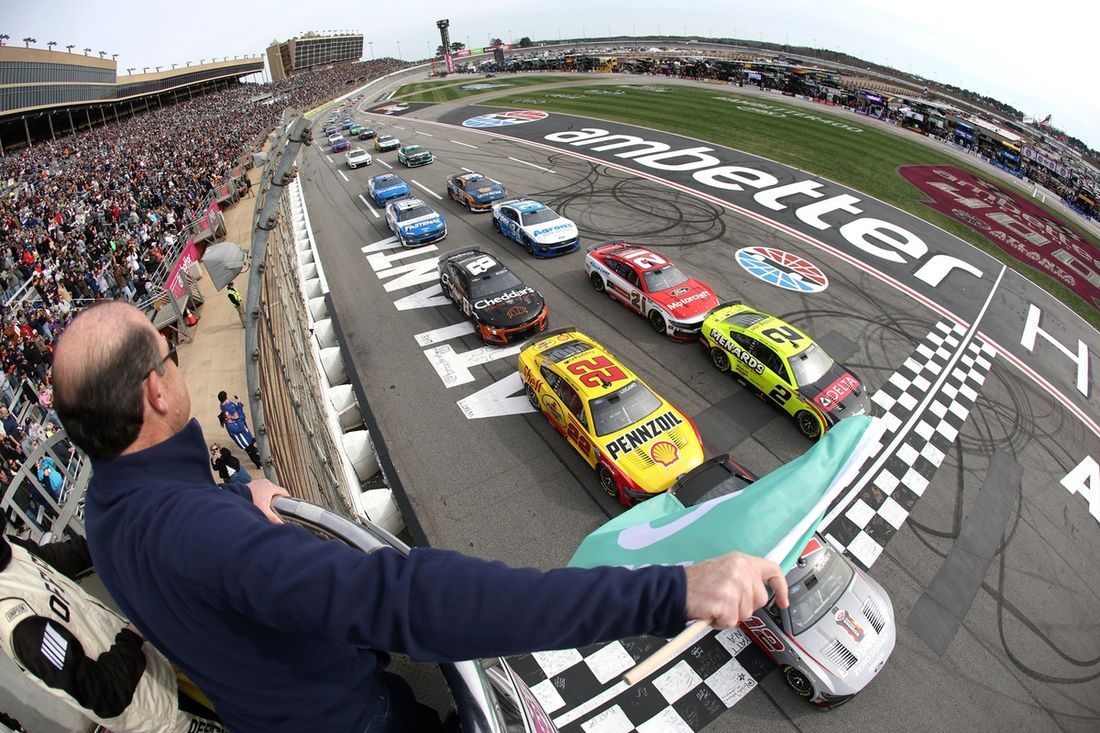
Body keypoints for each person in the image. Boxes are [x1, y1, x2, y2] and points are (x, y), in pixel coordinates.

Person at [53, 302, 788, 733]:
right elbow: (408, 600)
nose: (178, 358)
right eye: (169, 349)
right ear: (155, 392)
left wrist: (228, 495)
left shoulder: (110, 514)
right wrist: (672, 590)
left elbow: (185, 534)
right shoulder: (207, 538)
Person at [0, 513, 227, 732]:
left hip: (159, 667)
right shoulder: (20, 624)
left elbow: (77, 554)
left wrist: (128, 534)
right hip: (157, 711)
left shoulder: (13, 549)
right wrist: (134, 632)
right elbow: (105, 695)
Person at [217, 390, 261, 469]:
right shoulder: (230, 426)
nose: (231, 415)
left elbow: (239, 417)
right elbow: (241, 425)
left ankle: (256, 455)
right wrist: (239, 417)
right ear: (226, 418)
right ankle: (259, 464)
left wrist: (239, 405)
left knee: (252, 450)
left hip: (246, 437)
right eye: (228, 415)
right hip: (245, 442)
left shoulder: (230, 418)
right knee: (251, 453)